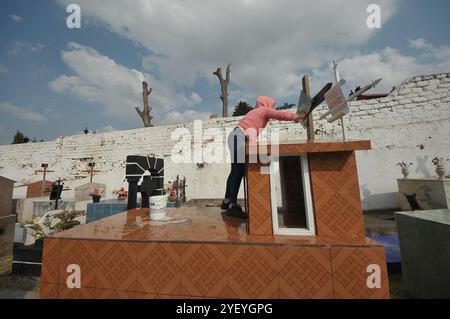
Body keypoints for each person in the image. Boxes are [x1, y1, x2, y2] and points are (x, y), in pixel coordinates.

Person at [222, 96, 307, 218]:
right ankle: (232, 206)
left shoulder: (254, 112)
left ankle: (226, 202)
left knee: (235, 171)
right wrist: (297, 116)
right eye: (273, 106)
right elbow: (280, 115)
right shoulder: (264, 110)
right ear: (266, 104)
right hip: (238, 137)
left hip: (235, 136)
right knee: (238, 171)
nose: (274, 108)